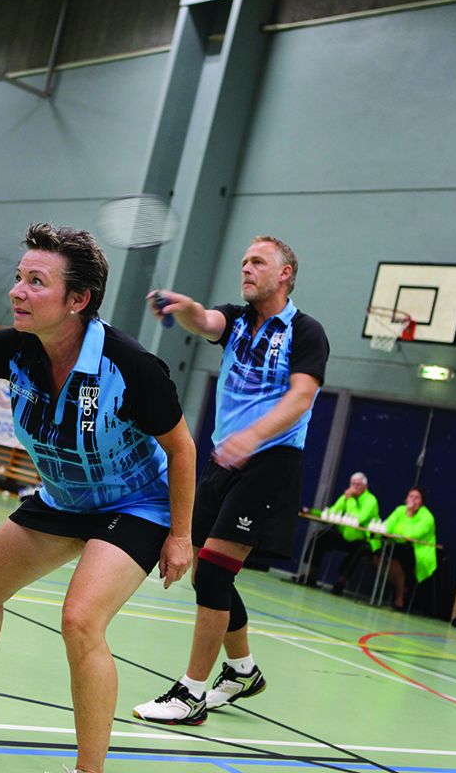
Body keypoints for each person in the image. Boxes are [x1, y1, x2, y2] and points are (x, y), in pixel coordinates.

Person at [0, 224, 195, 773]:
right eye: (20, 278)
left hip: (135, 503)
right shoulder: (15, 348)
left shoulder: (128, 364)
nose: (18, 291)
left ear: (77, 300)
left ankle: (88, 769)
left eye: (36, 282)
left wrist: (181, 536)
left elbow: (182, 448)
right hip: (64, 498)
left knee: (81, 620)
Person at [134, 235, 329, 725]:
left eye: (257, 262)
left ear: (285, 273)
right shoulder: (237, 319)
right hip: (225, 461)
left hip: (270, 461)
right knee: (206, 570)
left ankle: (191, 694)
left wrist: (253, 436)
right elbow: (205, 321)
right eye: (243, 261)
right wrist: (182, 307)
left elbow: (302, 396)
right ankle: (243, 671)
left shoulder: (305, 331)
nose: (246, 268)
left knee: (215, 573)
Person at [296, 472, 379, 595]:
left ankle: (341, 582)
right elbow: (332, 513)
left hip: (360, 538)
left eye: (358, 485)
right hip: (344, 534)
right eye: (353, 484)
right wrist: (344, 500)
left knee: (358, 549)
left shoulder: (370, 500)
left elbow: (357, 519)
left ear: (365, 487)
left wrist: (350, 500)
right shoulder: (347, 496)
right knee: (320, 537)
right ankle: (311, 575)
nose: (355, 487)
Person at [380, 487, 437, 611]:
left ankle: (399, 597)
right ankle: (402, 588)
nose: (413, 500)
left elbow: (410, 536)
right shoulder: (400, 510)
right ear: (406, 499)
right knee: (377, 554)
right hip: (399, 547)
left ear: (422, 502)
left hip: (418, 553)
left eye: (417, 498)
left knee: (396, 557)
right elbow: (387, 528)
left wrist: (409, 515)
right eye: (411, 497)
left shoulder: (427, 517)